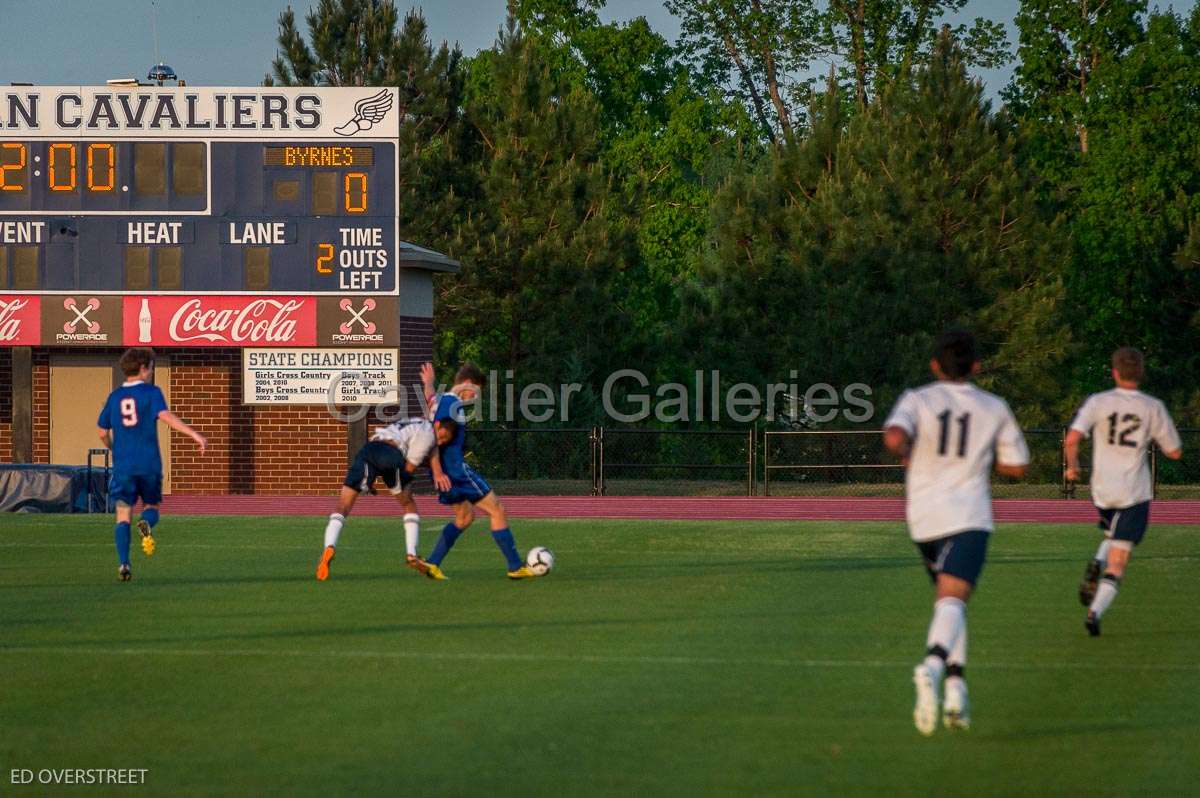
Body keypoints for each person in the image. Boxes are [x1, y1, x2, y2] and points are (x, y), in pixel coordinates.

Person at [883, 330, 1029, 735]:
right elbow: (1018, 466)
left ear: (935, 365)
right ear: (976, 367)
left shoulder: (917, 399)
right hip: (968, 516)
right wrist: (983, 459)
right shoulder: (993, 406)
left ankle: (956, 690)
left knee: (949, 602)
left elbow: (894, 436)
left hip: (924, 517)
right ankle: (931, 667)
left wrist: (907, 450)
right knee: (953, 600)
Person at [1064, 347, 1183, 636]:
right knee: (1119, 560)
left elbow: (1072, 438)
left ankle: (1097, 560)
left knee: (1111, 536)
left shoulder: (1098, 402)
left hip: (1102, 489)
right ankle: (1095, 612)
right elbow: (1175, 451)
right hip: (1133, 491)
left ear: (1114, 372)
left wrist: (1072, 467)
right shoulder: (1151, 406)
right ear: (1141, 373)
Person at [96, 347, 206, 581]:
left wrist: (114, 448)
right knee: (152, 507)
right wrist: (194, 434)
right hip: (148, 464)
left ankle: (124, 563)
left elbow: (102, 432)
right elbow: (166, 417)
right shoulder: (152, 392)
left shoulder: (114, 397)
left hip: (124, 466)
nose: (151, 372)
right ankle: (145, 523)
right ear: (144, 368)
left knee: (123, 513)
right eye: (151, 368)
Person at [419, 362, 536, 580]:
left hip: (445, 473)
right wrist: (437, 469)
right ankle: (515, 566)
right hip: (455, 472)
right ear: (468, 384)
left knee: (464, 517)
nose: (476, 396)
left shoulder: (442, 400)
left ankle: (433, 562)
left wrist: (428, 384)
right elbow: (436, 436)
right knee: (497, 510)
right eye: (477, 391)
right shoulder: (452, 404)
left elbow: (430, 400)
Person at [316, 416, 450, 581]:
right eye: (443, 436)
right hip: (392, 453)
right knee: (409, 505)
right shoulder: (428, 434)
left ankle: (329, 546)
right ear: (438, 425)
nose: (442, 441)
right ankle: (411, 555)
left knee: (343, 505)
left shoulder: (414, 420)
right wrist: (402, 482)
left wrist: (372, 479)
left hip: (369, 449)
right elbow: (409, 467)